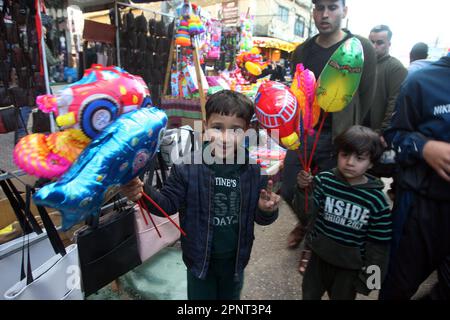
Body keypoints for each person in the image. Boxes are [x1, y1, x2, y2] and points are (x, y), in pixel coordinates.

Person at [120, 90, 280, 300]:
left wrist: (266, 210)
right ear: (205, 127)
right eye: (217, 128)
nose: (225, 137)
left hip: (235, 263)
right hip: (199, 262)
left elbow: (260, 218)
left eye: (235, 130)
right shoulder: (187, 168)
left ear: (247, 132)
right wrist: (141, 192)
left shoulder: (253, 171)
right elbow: (167, 204)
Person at [282, 0, 377, 261]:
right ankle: (305, 222)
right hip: (305, 132)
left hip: (339, 136)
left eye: (332, 7)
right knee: (289, 187)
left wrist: (359, 135)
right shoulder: (302, 50)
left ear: (345, 11)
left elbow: (367, 94)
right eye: (319, 7)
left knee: (328, 193)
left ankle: (313, 241)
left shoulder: (359, 47)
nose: (325, 14)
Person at [379, 52, 450, 300]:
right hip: (421, 208)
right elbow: (392, 136)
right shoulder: (421, 81)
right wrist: (425, 147)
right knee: (397, 285)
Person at [293, 125, 391, 300]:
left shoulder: (376, 201)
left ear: (372, 163)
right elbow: (307, 213)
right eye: (344, 155)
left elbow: (379, 245)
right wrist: (303, 190)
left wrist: (371, 281)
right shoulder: (324, 181)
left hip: (349, 269)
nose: (350, 162)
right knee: (308, 295)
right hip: (318, 259)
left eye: (359, 158)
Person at [365, 25, 407, 181]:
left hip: (377, 133)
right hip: (359, 129)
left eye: (379, 42)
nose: (374, 46)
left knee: (371, 176)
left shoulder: (395, 68)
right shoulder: (362, 64)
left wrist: (384, 131)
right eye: (371, 42)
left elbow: (395, 102)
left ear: (389, 44)